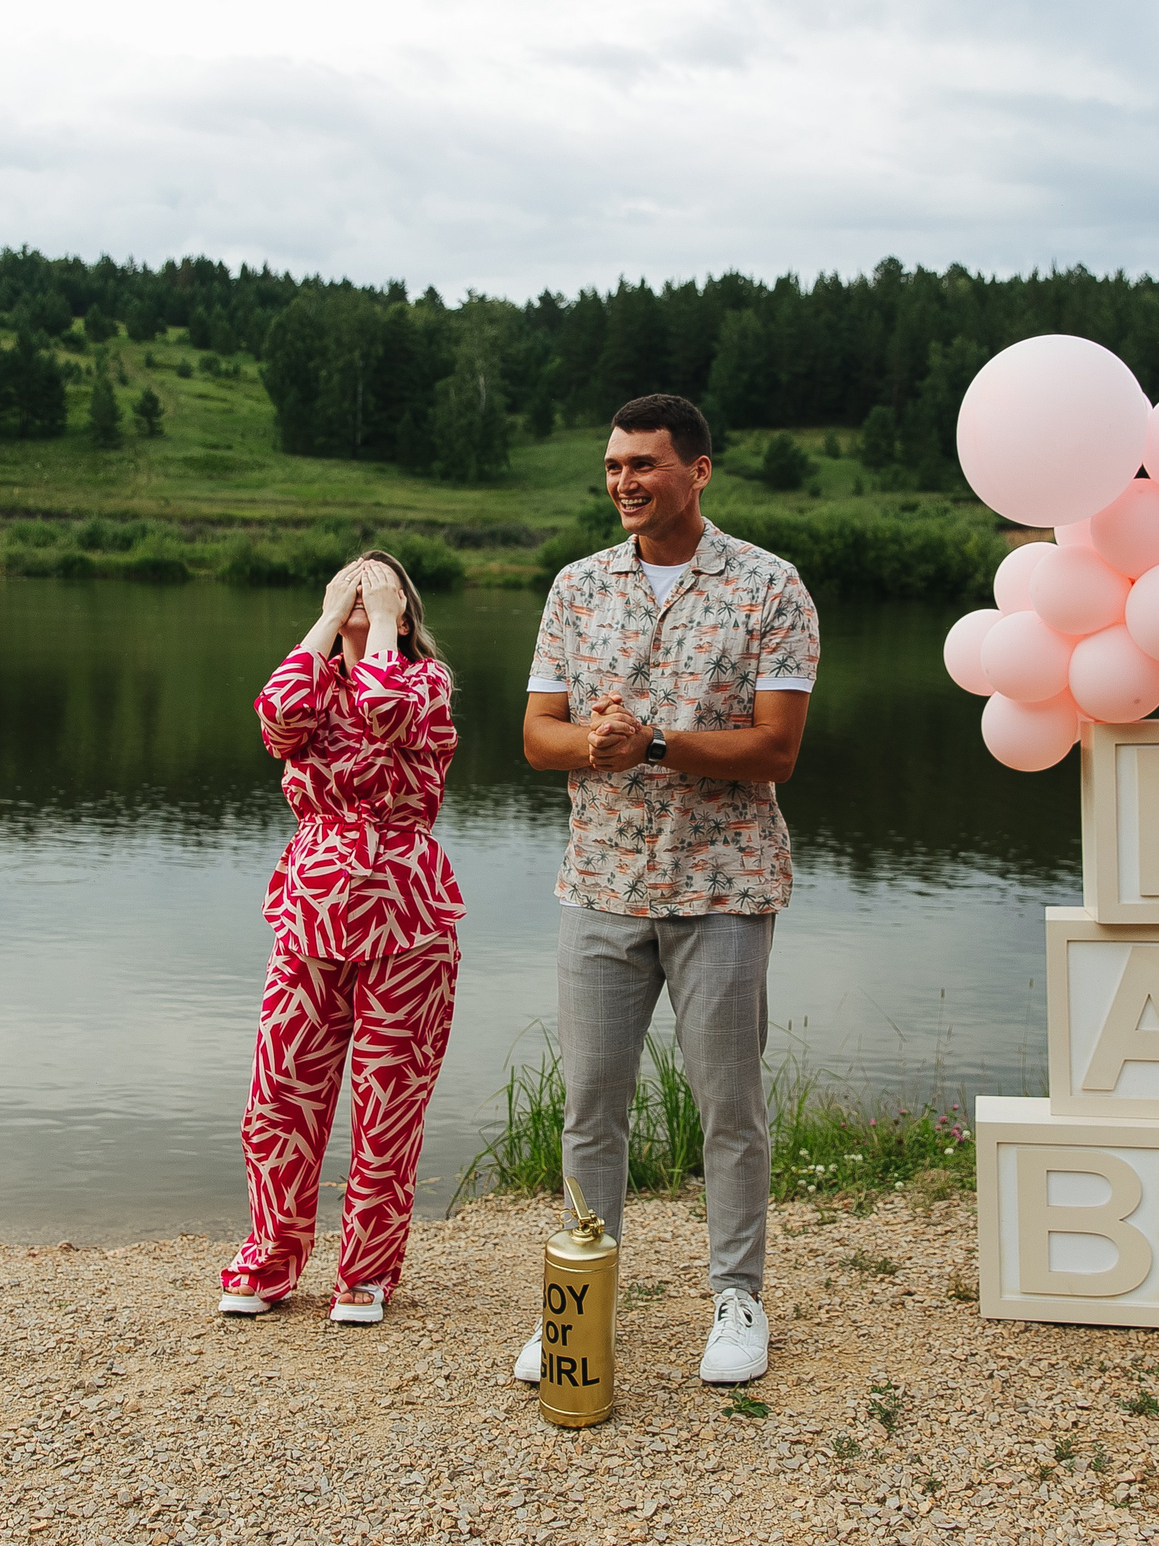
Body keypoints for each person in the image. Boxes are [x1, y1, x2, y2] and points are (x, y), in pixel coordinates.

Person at [517, 393, 818, 1385]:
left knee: (728, 1105)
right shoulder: (576, 588)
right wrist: (596, 744)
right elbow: (538, 736)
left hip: (723, 889)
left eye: (642, 464)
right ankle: (582, 1293)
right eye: (612, 466)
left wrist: (647, 740)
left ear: (698, 469)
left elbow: (775, 752)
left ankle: (737, 1296)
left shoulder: (770, 589)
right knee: (590, 1105)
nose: (622, 483)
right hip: (600, 884)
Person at [221, 550, 464, 1326]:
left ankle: (366, 1272)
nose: (361, 592)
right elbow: (275, 717)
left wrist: (387, 623)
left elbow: (388, 713)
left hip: (407, 918)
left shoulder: (426, 683)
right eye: (347, 585)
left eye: (376, 585)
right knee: (279, 1097)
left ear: (403, 604)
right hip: (310, 915)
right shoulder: (315, 688)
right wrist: (328, 621)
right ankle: (271, 1257)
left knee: (388, 1104)